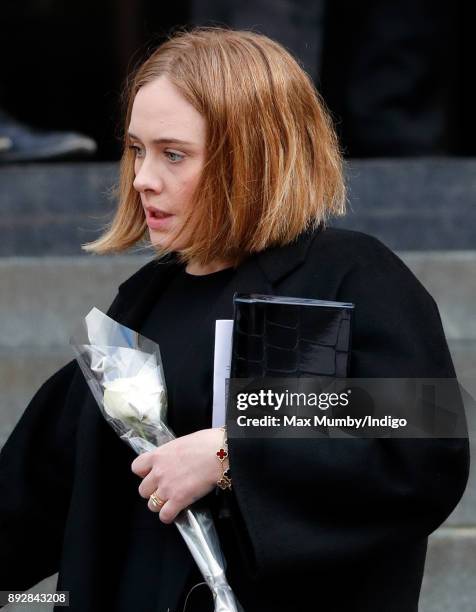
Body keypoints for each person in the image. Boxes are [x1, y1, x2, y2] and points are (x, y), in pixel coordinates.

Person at [0, 27, 469, 612]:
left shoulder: (350, 277)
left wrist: (230, 456)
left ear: (252, 156)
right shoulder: (141, 303)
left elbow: (424, 446)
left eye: (173, 154)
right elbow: (33, 492)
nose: (144, 176)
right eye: (136, 149)